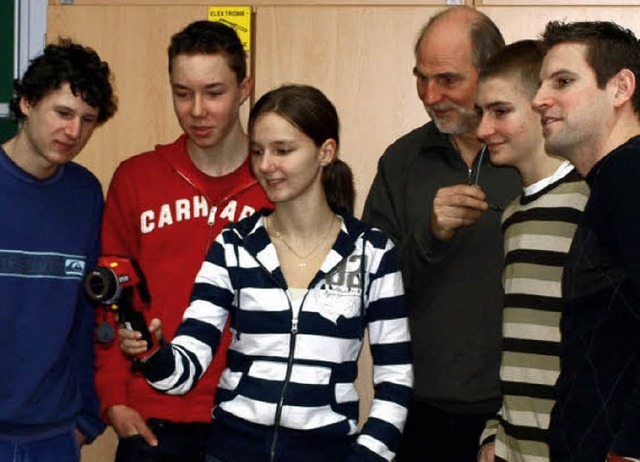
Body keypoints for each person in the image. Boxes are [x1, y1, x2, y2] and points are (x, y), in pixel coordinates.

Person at [118, 84, 413, 462]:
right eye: (257, 151)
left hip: (326, 451)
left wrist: (369, 455)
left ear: (326, 152)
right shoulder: (235, 245)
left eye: (283, 150)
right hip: (233, 448)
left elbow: (395, 378)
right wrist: (153, 351)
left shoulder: (371, 252)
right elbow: (185, 368)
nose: (265, 165)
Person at [94, 21, 272, 462]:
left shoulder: (277, 183)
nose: (197, 110)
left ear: (244, 87)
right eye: (182, 92)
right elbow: (110, 297)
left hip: (249, 419)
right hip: (152, 418)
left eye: (214, 92)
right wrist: (113, 397)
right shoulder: (136, 178)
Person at [362, 6, 520, 460]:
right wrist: (430, 236)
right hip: (418, 410)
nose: (431, 96)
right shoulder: (402, 160)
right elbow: (372, 289)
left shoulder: (539, 154)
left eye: (448, 79)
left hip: (519, 412)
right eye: (421, 78)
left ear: (491, 70)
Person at [0, 39, 117, 461]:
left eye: (88, 120)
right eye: (63, 113)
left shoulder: (85, 194)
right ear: (28, 102)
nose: (74, 132)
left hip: (53, 436)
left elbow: (89, 310)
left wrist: (86, 420)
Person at [474, 40, 589, 462]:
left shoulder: (590, 200)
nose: (483, 130)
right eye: (480, 114)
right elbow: (520, 345)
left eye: (500, 111)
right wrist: (495, 434)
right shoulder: (514, 214)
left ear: (543, 106)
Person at [531, 21, 640, 462]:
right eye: (541, 84)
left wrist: (629, 449)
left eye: (563, 81)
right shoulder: (613, 179)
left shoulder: (628, 177)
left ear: (620, 88)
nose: (539, 99)